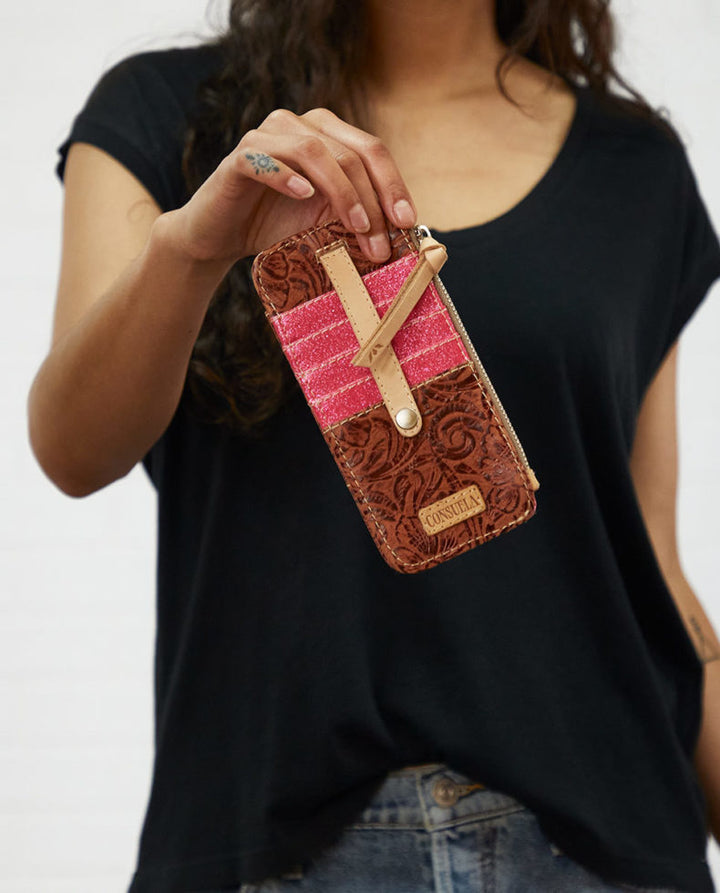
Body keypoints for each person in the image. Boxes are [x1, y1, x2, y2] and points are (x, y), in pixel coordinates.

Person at [27, 0, 720, 890]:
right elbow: (73, 449)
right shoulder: (166, 114)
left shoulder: (636, 167)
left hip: (605, 845)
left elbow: (652, 561)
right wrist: (191, 252)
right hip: (270, 845)